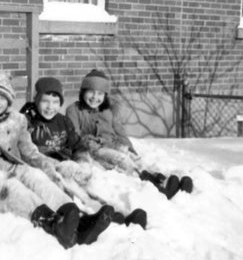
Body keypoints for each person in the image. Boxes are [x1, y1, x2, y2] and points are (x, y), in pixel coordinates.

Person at [0, 72, 124, 249]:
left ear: (9, 100)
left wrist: (51, 167)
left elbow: (30, 153)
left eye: (2, 98)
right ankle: (51, 223)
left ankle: (76, 218)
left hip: (11, 167)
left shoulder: (16, 120)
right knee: (11, 184)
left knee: (35, 175)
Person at [21, 76, 147, 229]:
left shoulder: (62, 122)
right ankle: (85, 219)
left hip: (67, 165)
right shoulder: (28, 123)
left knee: (90, 186)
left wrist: (82, 160)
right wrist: (55, 165)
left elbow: (77, 144)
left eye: (55, 102)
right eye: (45, 101)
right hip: (47, 170)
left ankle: (117, 214)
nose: (50, 107)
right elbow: (24, 151)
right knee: (72, 192)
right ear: (36, 100)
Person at [66, 69, 194, 200]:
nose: (95, 97)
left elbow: (119, 131)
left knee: (135, 160)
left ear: (105, 96)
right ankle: (157, 188)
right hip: (92, 149)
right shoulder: (74, 110)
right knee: (122, 160)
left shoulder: (108, 110)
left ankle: (165, 181)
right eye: (91, 92)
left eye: (100, 93)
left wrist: (130, 148)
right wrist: (92, 142)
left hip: (113, 144)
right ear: (83, 92)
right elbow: (74, 136)